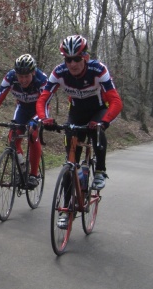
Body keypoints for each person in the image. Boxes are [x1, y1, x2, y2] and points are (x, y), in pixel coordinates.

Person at [36, 35, 123, 228]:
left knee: (98, 130)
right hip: (76, 112)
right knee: (70, 164)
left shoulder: (98, 69)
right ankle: (67, 210)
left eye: (77, 58)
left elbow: (116, 101)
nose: (73, 63)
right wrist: (45, 118)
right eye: (68, 59)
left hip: (98, 109)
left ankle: (100, 170)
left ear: (85, 56)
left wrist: (105, 122)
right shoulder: (59, 72)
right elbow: (43, 99)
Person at [0, 54, 48, 188]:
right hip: (22, 108)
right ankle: (22, 168)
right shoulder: (10, 77)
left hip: (38, 109)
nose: (23, 80)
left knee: (32, 135)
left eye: (26, 76)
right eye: (20, 76)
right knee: (12, 138)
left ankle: (33, 175)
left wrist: (36, 121)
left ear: (33, 73)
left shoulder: (41, 80)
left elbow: (46, 104)